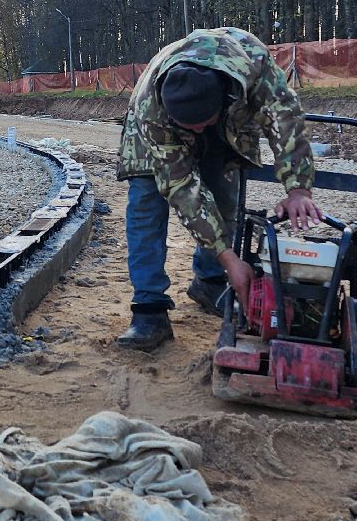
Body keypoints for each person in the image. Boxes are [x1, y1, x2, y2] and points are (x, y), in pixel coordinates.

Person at [115, 27, 322, 350]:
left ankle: (209, 282)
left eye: (200, 124)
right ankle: (149, 310)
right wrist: (230, 257)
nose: (196, 132)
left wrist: (298, 189)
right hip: (153, 138)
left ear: (222, 101)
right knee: (146, 206)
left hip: (229, 127)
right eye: (189, 127)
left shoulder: (255, 65)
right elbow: (182, 187)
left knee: (226, 199)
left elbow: (285, 120)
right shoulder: (152, 111)